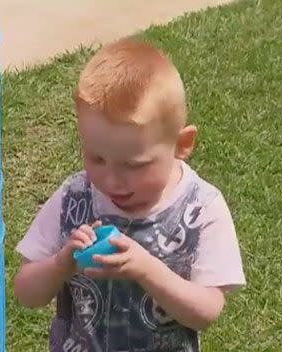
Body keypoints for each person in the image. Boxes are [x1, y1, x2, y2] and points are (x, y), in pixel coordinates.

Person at [14, 36, 246, 352]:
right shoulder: (74, 197)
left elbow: (206, 311)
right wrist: (60, 265)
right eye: (96, 158)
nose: (111, 180)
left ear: (182, 144)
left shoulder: (202, 207)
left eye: (132, 165)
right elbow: (26, 293)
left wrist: (146, 270)